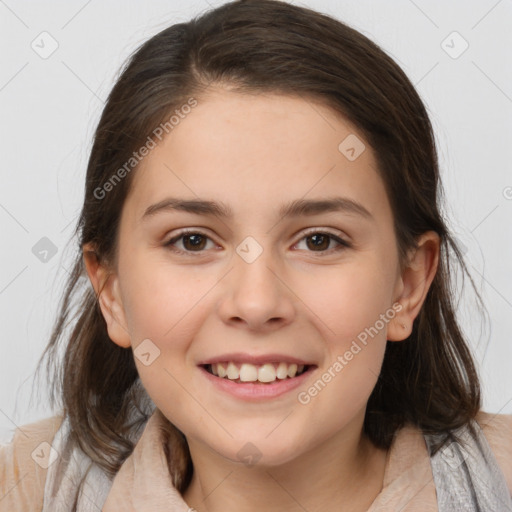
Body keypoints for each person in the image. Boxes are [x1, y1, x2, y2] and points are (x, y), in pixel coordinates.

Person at [1, 1, 512, 510]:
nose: (256, 301)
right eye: (192, 241)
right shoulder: (23, 487)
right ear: (110, 291)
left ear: (407, 285)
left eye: (319, 240)